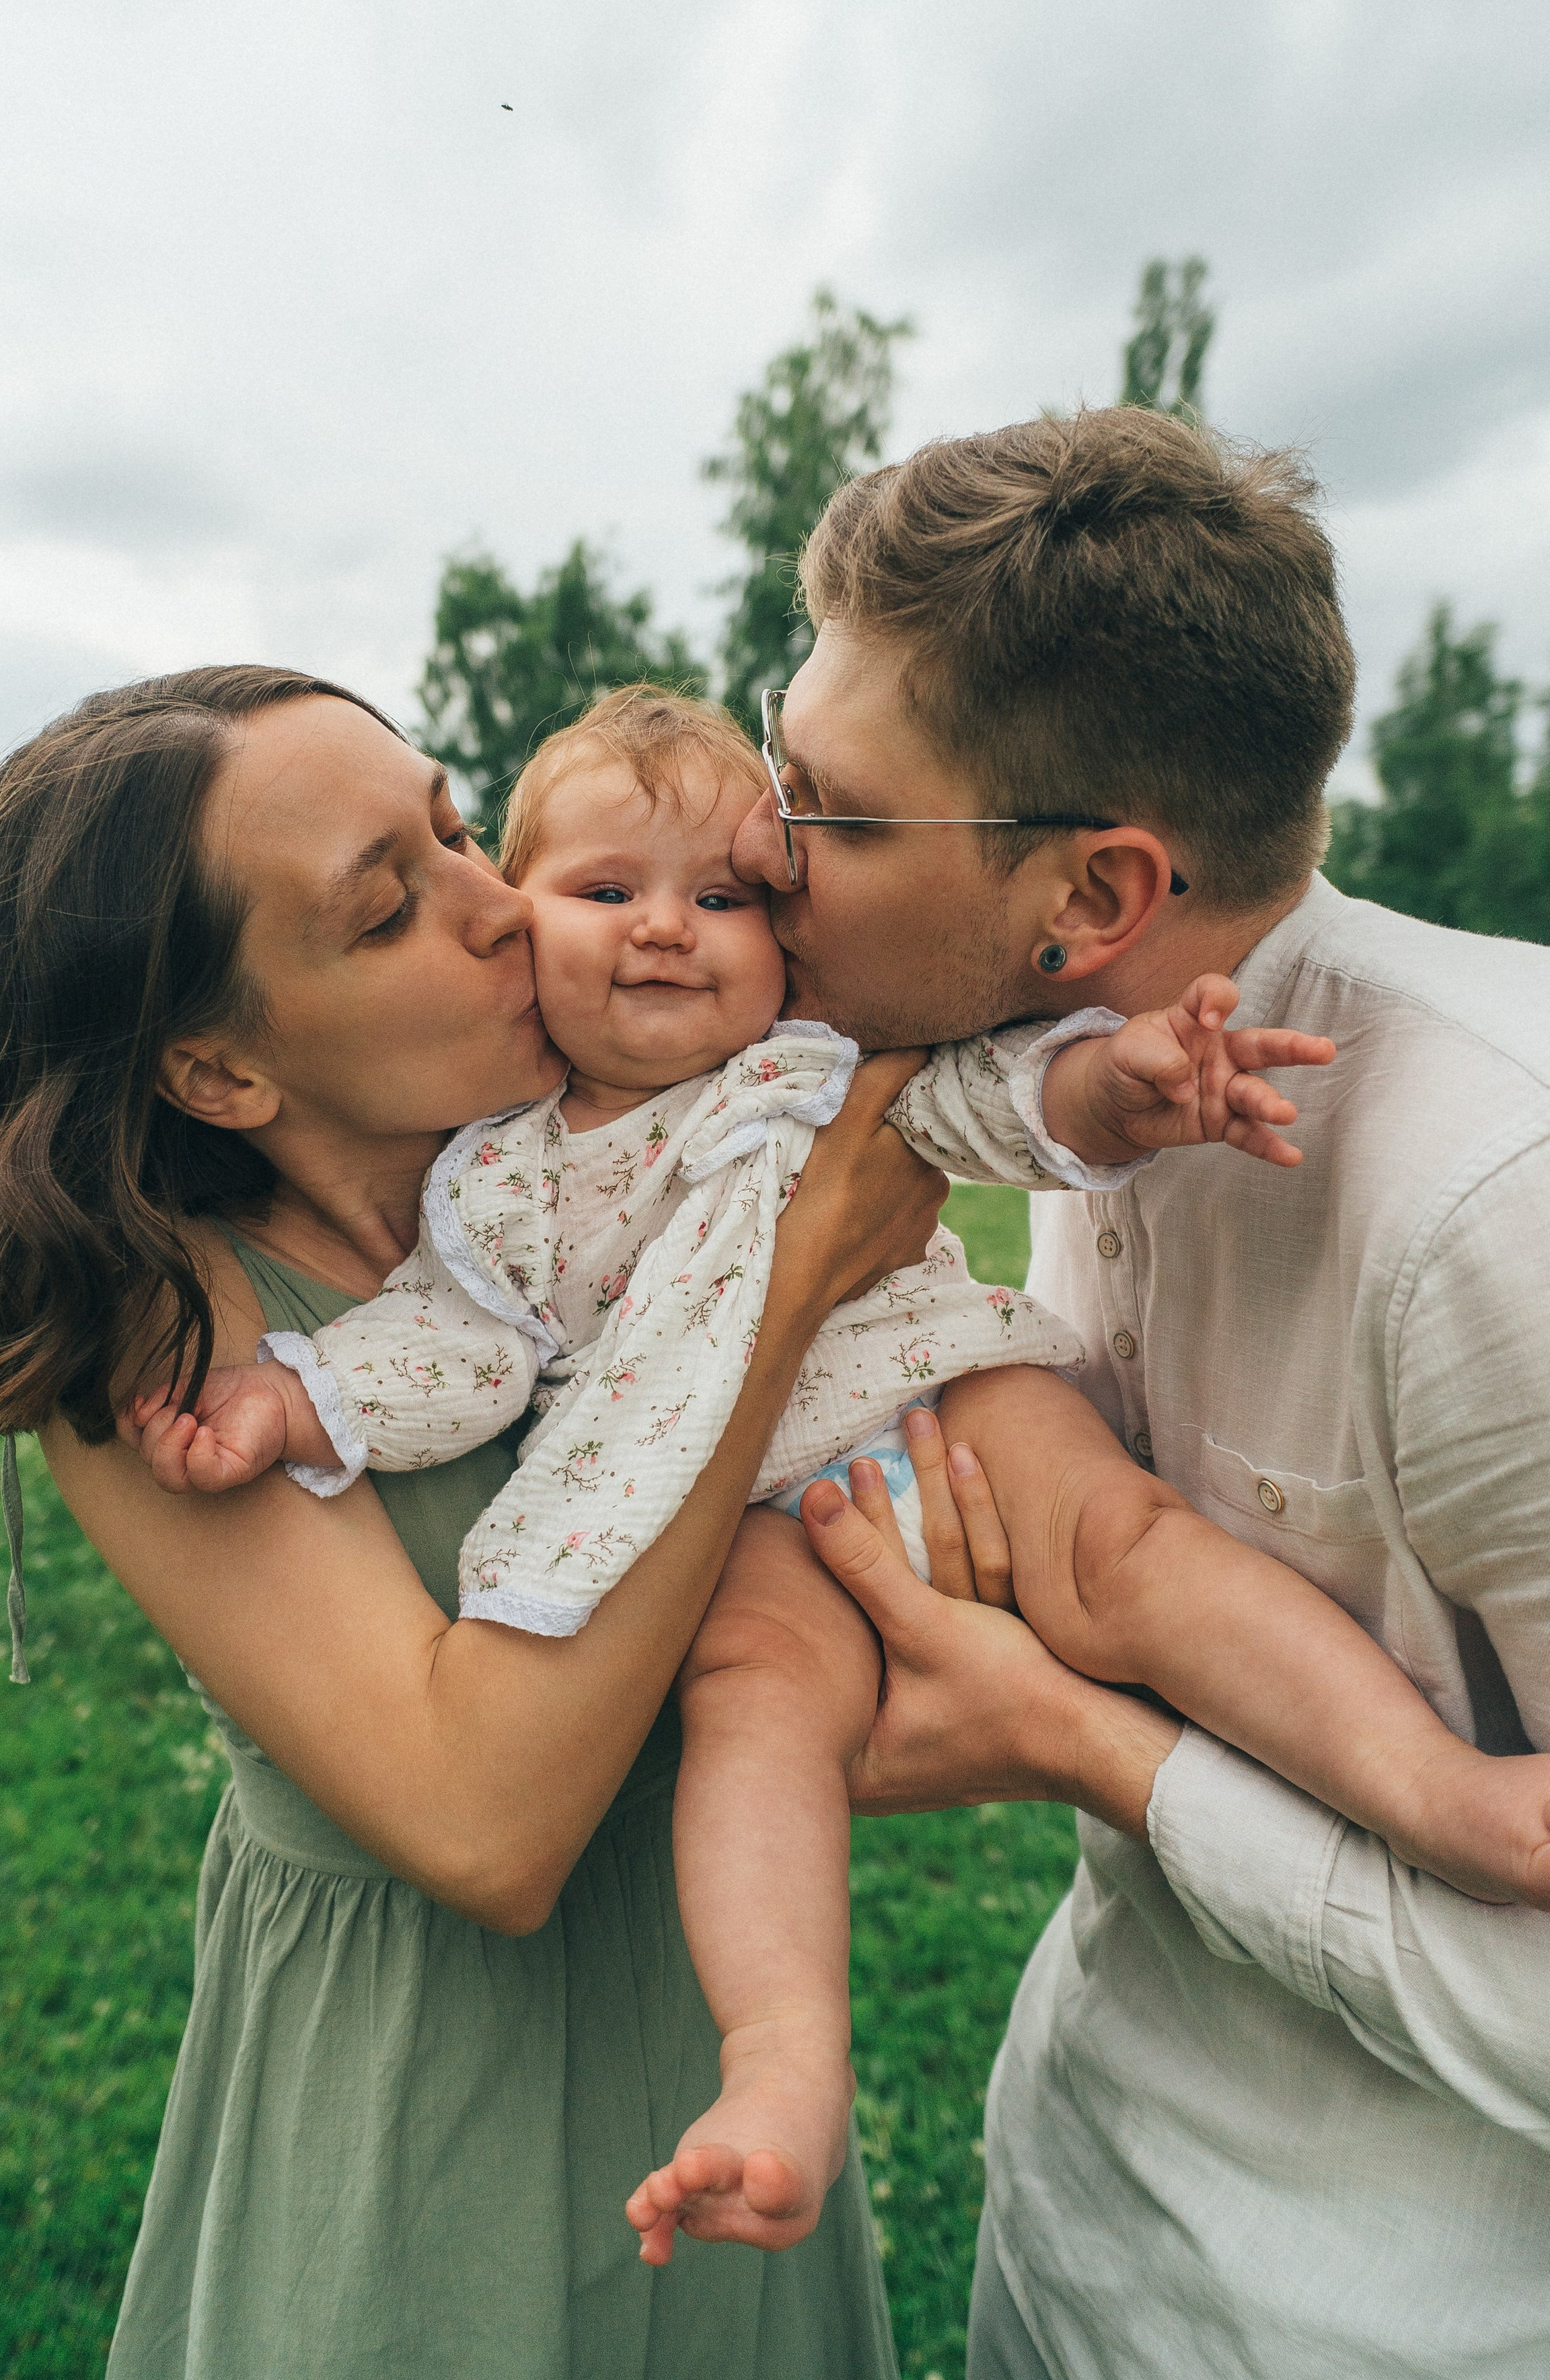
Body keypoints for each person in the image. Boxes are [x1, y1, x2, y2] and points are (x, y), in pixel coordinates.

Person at [128, 683, 1550, 2283]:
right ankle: (782, 2058)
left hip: (922, 1374)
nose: (668, 932)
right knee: (754, 1710)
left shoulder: (823, 1064)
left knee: (1127, 1549)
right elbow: (461, 1356)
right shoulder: (499, 1175)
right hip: (748, 1512)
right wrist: (302, 1401)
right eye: (605, 894)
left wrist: (1130, 1085)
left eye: (722, 896)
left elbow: (1011, 1103)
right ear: (535, 923)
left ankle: (1448, 1798)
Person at [0, 662, 963, 2380]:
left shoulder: (601, 1186)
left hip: (711, 2026)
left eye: (459, 829)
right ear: (219, 1069)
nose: (496, 907)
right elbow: (487, 1826)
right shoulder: (163, 1340)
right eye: (391, 909)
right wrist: (783, 1286)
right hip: (423, 2108)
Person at [723, 405, 1550, 2379]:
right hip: (1074, 2216)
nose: (763, 852)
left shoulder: (1490, 1203)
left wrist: (1097, 1751)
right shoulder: (1051, 1086)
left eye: (828, 811)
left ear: (1093, 895)